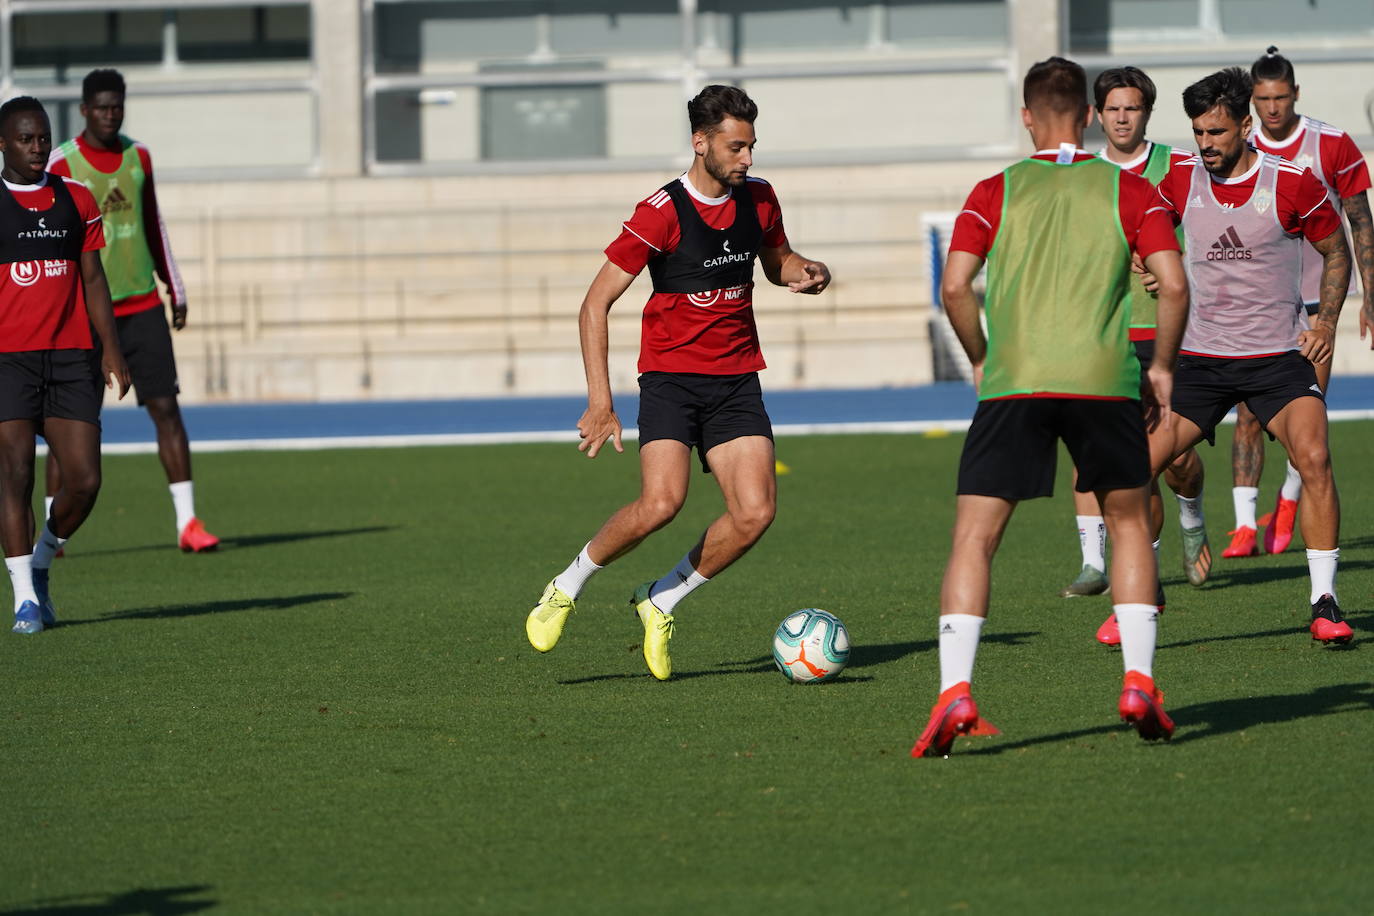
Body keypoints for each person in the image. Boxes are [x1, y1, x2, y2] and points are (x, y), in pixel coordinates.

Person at [910, 57, 1188, 758]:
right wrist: (1159, 367)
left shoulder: (994, 190)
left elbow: (954, 288)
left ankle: (956, 691)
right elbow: (1176, 286)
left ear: (1027, 117)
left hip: (1015, 381)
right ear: (1090, 118)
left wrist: (979, 356)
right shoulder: (1130, 188)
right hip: (1103, 377)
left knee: (974, 538)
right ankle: (1138, 681)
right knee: (1128, 524)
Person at [523, 85, 830, 681]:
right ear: (701, 142)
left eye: (752, 146)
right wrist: (600, 401)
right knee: (662, 504)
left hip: (737, 379)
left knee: (755, 512)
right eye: (736, 147)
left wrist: (807, 272)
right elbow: (593, 305)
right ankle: (566, 585)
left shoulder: (760, 199)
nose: (747, 159)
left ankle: (661, 598)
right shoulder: (660, 212)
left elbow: (776, 261)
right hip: (671, 380)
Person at [1147, 67, 1352, 644]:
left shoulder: (1292, 182)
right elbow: (1145, 232)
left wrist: (1327, 322)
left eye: (1216, 131)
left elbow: (1337, 252)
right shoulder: (1179, 180)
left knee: (1314, 456)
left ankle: (1325, 601)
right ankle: (1143, 594)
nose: (1205, 144)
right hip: (1201, 362)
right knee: (1136, 467)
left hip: (1277, 360)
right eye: (1197, 132)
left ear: (1245, 124)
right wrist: (1149, 263)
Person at [45, 69, 218, 553]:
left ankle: (188, 523)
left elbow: (152, 224)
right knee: (68, 424)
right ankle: (50, 531)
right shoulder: (62, 163)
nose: (109, 113)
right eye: (101, 106)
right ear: (84, 109)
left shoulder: (138, 156)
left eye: (116, 105)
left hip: (141, 305)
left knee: (166, 408)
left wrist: (174, 287)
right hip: (84, 316)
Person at [1061, 66, 1210, 625]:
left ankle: (1192, 513)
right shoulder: (1081, 173)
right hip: (1101, 332)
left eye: (1134, 109)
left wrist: (1172, 267)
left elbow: (1207, 232)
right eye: (1113, 109)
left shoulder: (1177, 165)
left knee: (1175, 462)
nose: (1123, 118)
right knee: (1103, 455)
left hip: (1168, 334)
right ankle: (1099, 564)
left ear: (1146, 113)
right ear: (1097, 115)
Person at [1221, 47, 1373, 559]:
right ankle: (1243, 524)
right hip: (1261, 301)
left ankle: (1286, 500)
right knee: (1246, 411)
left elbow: (1360, 223)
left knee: (1305, 415)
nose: (1271, 109)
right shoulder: (1239, 146)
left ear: (1296, 94)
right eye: (1262, 99)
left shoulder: (1331, 144)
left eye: (1280, 97)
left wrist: (1370, 295)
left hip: (1318, 302)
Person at [0, 96, 131, 633]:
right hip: (8, 361)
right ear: (2, 143)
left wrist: (113, 349)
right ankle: (24, 599)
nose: (37, 148)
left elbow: (94, 279)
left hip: (73, 357)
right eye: (26, 139)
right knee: (15, 475)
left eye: (43, 138)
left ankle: (43, 560)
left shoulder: (75, 198)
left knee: (84, 481)